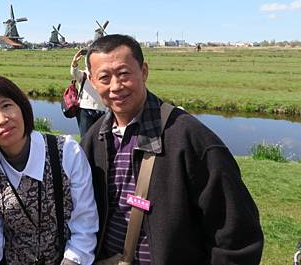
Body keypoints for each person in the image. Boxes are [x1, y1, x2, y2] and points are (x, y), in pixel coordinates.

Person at [80, 34, 263, 265]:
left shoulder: (190, 137)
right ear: (92, 82)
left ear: (144, 71)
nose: (116, 86)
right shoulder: (94, 139)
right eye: (104, 77)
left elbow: (236, 234)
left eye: (124, 74)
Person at [0, 75, 98, 265]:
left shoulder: (66, 152)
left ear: (21, 106)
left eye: (6, 105)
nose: (2, 119)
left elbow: (85, 225)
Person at [70, 48, 106, 137]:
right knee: (85, 138)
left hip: (102, 110)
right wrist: (74, 63)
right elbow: (74, 73)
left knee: (100, 138)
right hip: (85, 109)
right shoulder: (84, 75)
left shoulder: (103, 75)